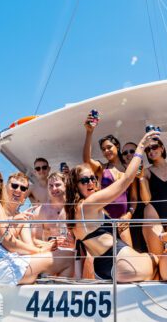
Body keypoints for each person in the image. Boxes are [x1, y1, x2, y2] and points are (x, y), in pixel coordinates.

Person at [67, 133, 158, 282]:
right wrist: (140, 148)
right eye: (84, 180)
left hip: (101, 269)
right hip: (119, 262)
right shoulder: (90, 204)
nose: (90, 182)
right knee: (154, 258)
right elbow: (126, 179)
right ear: (75, 186)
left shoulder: (72, 211)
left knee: (145, 259)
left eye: (92, 178)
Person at [0, 165, 74, 285]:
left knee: (51, 263)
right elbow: (9, 243)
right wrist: (40, 250)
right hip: (0, 268)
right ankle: (55, 299)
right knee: (68, 257)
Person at [82, 114, 134, 246]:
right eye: (103, 149)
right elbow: (86, 160)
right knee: (108, 258)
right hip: (104, 219)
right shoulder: (101, 168)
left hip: (123, 221)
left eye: (109, 147)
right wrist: (89, 132)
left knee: (129, 257)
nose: (106, 151)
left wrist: (129, 215)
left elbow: (134, 198)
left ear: (117, 146)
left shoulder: (128, 169)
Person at [142, 134, 167, 252]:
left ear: (162, 148)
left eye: (154, 147)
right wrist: (141, 179)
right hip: (154, 215)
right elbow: (145, 200)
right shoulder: (146, 172)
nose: (151, 151)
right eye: (148, 149)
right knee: (157, 256)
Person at [122, 141, 151, 252]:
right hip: (124, 216)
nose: (128, 154)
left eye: (132, 151)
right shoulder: (120, 172)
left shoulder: (146, 171)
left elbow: (146, 199)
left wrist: (141, 177)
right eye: (125, 153)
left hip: (141, 216)